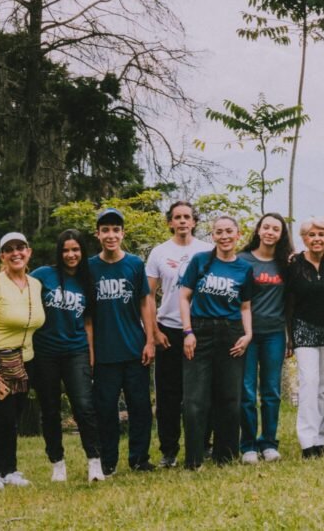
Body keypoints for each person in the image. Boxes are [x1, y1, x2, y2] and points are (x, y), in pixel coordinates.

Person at [2, 230, 102, 483]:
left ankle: (94, 462)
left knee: (84, 407)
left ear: (82, 252)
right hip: (45, 353)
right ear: (60, 252)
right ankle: (57, 463)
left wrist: (90, 355)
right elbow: (16, 279)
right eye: (66, 250)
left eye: (76, 249)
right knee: (50, 410)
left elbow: (88, 322)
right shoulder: (43, 276)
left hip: (76, 351)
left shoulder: (87, 281)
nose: (71, 254)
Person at [178, 216, 254, 469]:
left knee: (230, 398)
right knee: (194, 400)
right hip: (200, 331)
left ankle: (226, 456)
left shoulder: (244, 269)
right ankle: (194, 459)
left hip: (231, 333)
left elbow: (245, 306)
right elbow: (184, 297)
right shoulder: (201, 261)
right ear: (213, 236)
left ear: (237, 234)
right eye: (219, 232)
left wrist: (248, 334)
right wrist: (187, 332)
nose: (224, 236)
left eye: (229, 231)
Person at [0, 232, 46, 490]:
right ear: (2, 256)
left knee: (13, 416)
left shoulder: (36, 284)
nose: (16, 253)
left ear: (29, 252)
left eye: (21, 248)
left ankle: (10, 470)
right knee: (3, 417)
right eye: (10, 249)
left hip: (24, 360)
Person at [145, 201, 212, 468]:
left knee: (200, 393)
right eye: (177, 217)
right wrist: (154, 331)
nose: (183, 221)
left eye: (187, 217)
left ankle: (203, 445)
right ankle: (169, 450)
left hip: (201, 328)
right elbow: (148, 295)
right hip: (169, 329)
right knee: (168, 396)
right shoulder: (159, 253)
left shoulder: (207, 250)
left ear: (195, 221)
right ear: (170, 222)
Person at [89, 207, 155, 475]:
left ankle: (139, 458)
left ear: (122, 233)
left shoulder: (135, 264)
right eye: (105, 230)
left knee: (140, 407)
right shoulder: (89, 267)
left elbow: (145, 303)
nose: (111, 235)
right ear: (98, 234)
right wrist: (91, 352)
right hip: (105, 353)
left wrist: (150, 340)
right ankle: (108, 461)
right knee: (105, 410)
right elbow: (87, 316)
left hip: (134, 349)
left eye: (116, 230)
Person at [288, 218, 324, 458]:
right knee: (308, 383)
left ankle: (321, 439)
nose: (317, 239)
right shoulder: (294, 264)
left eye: (321, 234)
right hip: (304, 328)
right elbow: (288, 300)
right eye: (312, 235)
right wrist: (287, 335)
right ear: (304, 239)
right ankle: (307, 441)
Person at [238, 213, 291, 464]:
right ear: (258, 230)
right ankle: (247, 445)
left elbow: (292, 303)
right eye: (266, 227)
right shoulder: (242, 260)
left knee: (271, 391)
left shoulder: (286, 264)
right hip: (246, 335)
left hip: (274, 334)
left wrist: (290, 336)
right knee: (246, 392)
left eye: (276, 229)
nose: (270, 232)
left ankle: (268, 442)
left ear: (281, 235)